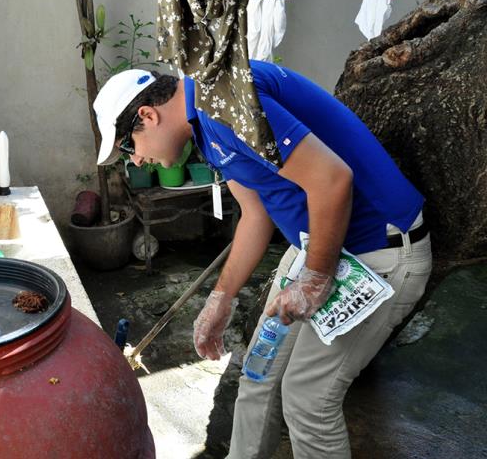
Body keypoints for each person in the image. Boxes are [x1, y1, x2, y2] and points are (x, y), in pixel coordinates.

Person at [93, 60, 432, 458]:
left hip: (378, 252)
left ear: (147, 115)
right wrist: (221, 298)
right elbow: (255, 214)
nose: (134, 161)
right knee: (259, 374)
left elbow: (333, 180)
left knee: (307, 400)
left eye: (129, 146)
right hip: (319, 249)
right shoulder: (203, 121)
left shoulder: (224, 103)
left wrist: (314, 279)